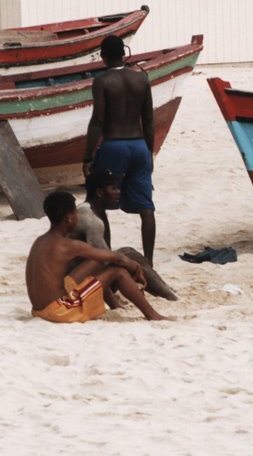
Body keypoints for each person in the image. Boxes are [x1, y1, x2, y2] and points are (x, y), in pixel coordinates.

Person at [26, 190, 167, 322]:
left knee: (97, 261)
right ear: (69, 218)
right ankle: (152, 315)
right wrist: (134, 266)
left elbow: (102, 258)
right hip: (60, 311)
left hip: (39, 311)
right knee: (118, 270)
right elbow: (119, 259)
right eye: (75, 212)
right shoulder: (67, 245)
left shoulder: (39, 241)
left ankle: (115, 306)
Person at [83, 34, 157, 265]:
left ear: (103, 56)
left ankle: (107, 257)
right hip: (138, 145)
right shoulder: (142, 80)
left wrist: (87, 156)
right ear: (124, 54)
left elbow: (97, 121)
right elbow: (149, 120)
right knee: (146, 206)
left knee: (98, 202)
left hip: (114, 145)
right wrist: (150, 152)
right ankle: (149, 261)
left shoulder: (103, 82)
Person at [74, 168, 178, 302]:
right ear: (100, 192)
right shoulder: (91, 219)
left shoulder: (88, 210)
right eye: (113, 189)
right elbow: (104, 260)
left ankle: (166, 290)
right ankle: (168, 295)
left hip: (82, 274)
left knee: (129, 252)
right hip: (80, 282)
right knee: (128, 257)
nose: (119, 192)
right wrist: (131, 266)